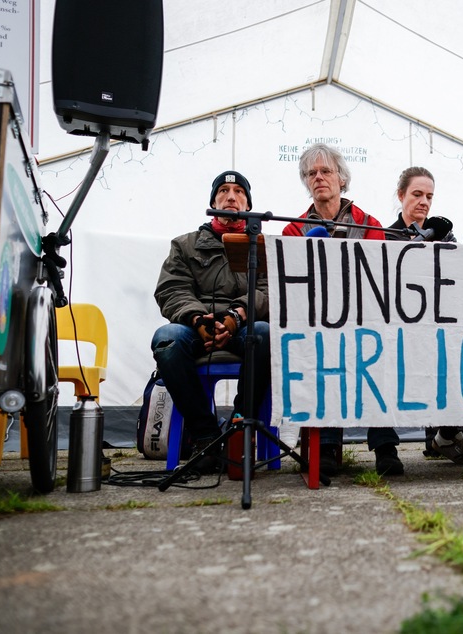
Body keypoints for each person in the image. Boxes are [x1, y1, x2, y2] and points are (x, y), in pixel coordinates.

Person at [283, 143, 403, 476]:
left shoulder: (370, 223)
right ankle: (326, 446)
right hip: (317, 323)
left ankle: (385, 446)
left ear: (342, 178)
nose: (318, 177)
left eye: (326, 171)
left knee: (379, 350)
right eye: (311, 173)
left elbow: (382, 276)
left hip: (366, 318)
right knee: (323, 351)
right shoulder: (292, 229)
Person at [151, 170, 270, 473]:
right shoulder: (184, 245)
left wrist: (237, 315)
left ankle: (239, 431)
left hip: (244, 323)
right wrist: (196, 319)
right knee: (167, 338)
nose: (231, 196)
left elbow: (271, 291)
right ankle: (205, 436)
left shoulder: (264, 245)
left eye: (239, 191)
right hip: (196, 326)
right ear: (213, 200)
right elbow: (172, 289)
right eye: (224, 191)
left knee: (264, 333)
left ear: (248, 203)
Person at [387, 166, 463, 466]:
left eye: (429, 196)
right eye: (417, 194)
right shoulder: (386, 236)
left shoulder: (444, 234)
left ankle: (446, 433)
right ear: (401, 195)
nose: (424, 202)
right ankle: (386, 447)